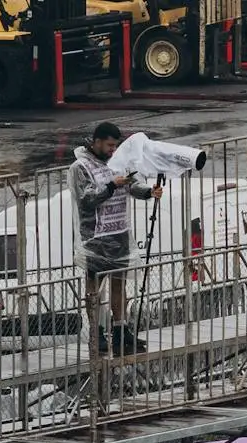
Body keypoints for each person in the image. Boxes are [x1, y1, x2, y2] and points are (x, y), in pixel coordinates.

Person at [68, 121, 163, 356]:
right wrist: (111, 185)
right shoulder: (80, 167)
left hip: (119, 232)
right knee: (95, 288)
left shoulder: (118, 162)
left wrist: (149, 192)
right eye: (109, 145)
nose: (112, 150)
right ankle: (96, 330)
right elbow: (87, 199)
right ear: (97, 141)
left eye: (115, 146)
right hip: (95, 236)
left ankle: (121, 328)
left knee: (119, 283)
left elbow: (132, 186)